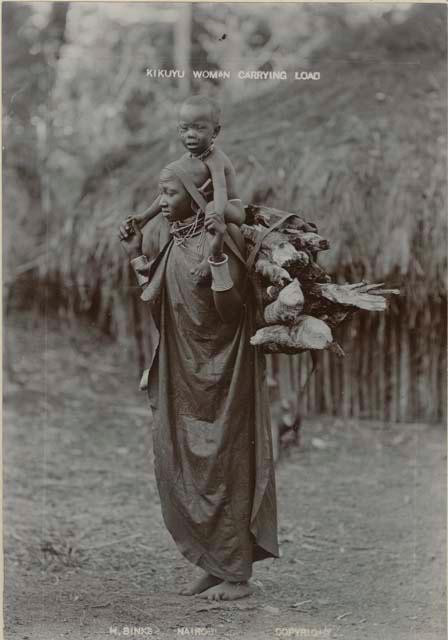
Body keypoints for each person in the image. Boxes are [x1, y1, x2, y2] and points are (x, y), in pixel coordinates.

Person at [119, 157, 279, 601]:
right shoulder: (173, 241)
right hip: (185, 371)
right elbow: (160, 305)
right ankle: (214, 562)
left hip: (224, 373)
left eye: (169, 194)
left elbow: (232, 313)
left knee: (225, 463)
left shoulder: (218, 236)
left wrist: (217, 257)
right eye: (160, 193)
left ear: (193, 197)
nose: (161, 202)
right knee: (191, 463)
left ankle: (237, 574)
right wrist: (134, 252)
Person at [125, 95, 245, 285]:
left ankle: (209, 260)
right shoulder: (186, 160)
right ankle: (159, 262)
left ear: (215, 132)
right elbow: (168, 192)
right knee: (172, 217)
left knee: (213, 204)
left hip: (230, 209)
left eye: (199, 128)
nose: (190, 134)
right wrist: (145, 217)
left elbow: (220, 191)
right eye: (184, 128)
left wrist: (216, 214)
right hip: (204, 210)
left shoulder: (216, 159)